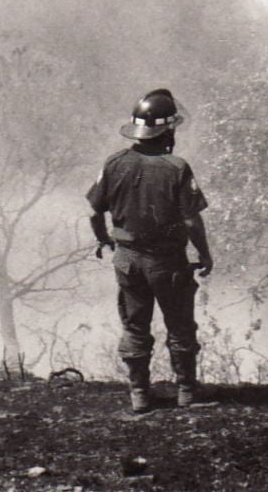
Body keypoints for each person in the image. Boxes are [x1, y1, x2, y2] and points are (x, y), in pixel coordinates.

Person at [87, 88, 214, 414]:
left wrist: (103, 239)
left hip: (128, 260)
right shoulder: (176, 168)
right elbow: (191, 220)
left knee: (134, 326)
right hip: (168, 262)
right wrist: (205, 254)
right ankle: (186, 392)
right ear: (167, 130)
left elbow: (93, 211)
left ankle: (139, 395)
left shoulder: (114, 163)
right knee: (181, 326)